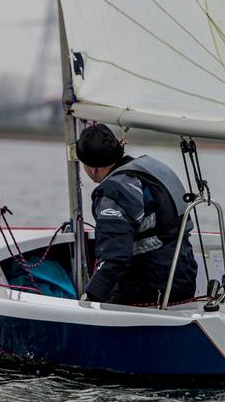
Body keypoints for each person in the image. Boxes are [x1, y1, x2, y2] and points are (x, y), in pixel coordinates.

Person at [76, 123, 198, 306]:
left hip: (150, 288)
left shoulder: (113, 193)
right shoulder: (152, 168)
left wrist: (89, 298)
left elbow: (114, 259)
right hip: (183, 277)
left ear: (92, 168)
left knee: (104, 296)